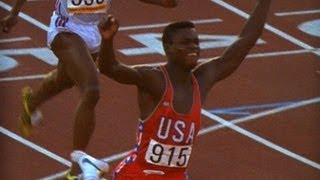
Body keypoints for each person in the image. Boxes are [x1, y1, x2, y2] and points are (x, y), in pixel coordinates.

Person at [0, 0, 178, 179]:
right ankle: (77, 168)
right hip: (66, 28)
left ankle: (31, 102)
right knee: (91, 90)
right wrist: (14, 13)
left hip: (94, 31)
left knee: (64, 80)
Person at [97, 0, 272, 179]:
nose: (193, 47)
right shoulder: (154, 79)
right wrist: (107, 40)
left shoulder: (203, 80)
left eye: (196, 42)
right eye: (186, 42)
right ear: (167, 47)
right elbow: (111, 68)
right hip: (139, 174)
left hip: (176, 176)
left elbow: (246, 41)